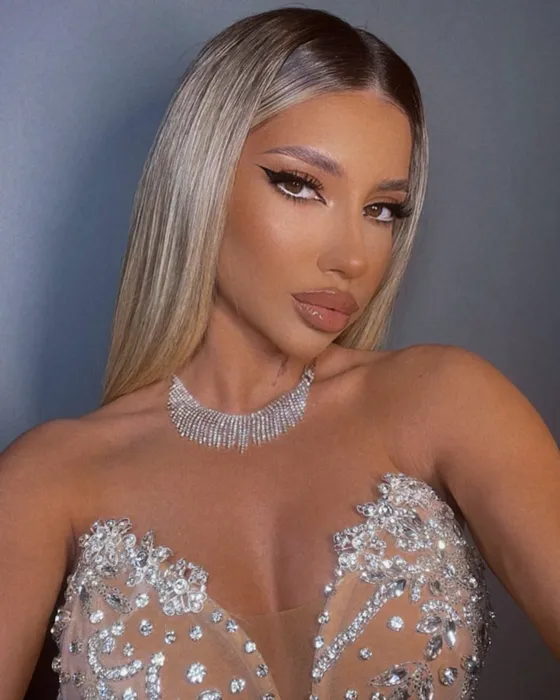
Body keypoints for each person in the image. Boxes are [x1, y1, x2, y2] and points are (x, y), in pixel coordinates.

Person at [1, 6, 559, 700]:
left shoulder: (444, 402)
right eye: (300, 185)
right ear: (201, 179)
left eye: (382, 209)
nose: (353, 257)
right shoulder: (47, 483)